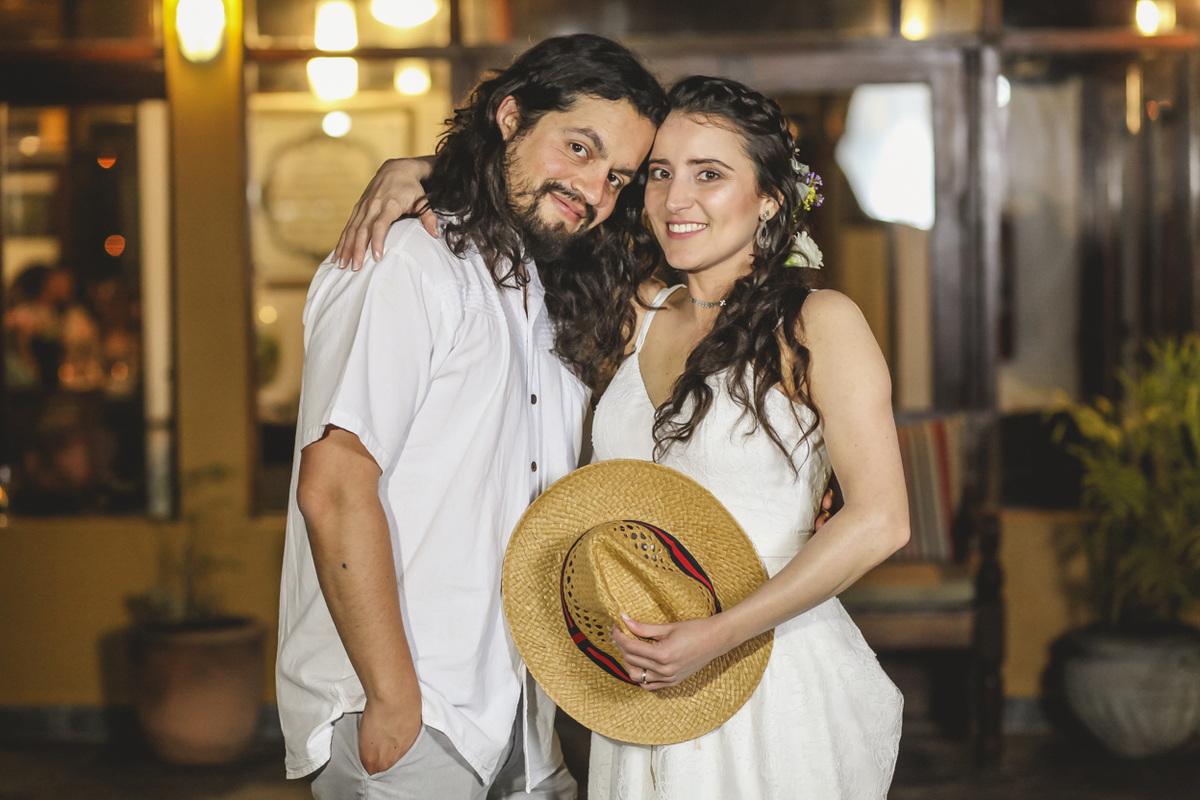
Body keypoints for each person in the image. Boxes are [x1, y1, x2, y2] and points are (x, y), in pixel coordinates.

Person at [337, 74, 907, 798]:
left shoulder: (819, 323)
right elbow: (536, 207)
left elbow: (882, 519)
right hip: (638, 680)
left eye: (710, 174)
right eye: (660, 174)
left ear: (769, 197)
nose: (676, 199)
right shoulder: (634, 310)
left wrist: (719, 634)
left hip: (764, 670)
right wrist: (419, 171)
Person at [277, 34, 664, 800]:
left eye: (617, 175)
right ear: (510, 114)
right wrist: (394, 702)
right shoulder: (406, 265)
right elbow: (334, 486)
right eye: (579, 147)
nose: (594, 190)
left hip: (521, 713)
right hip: (414, 718)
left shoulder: (548, 300)